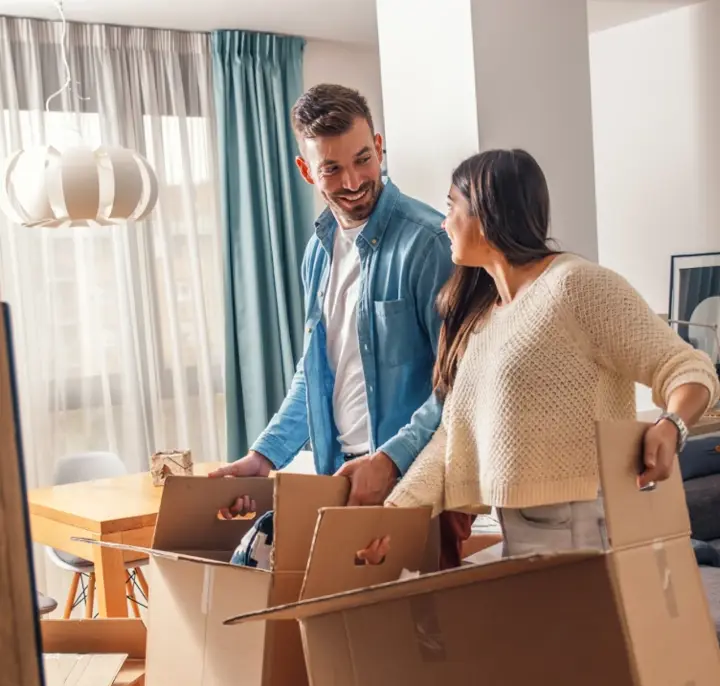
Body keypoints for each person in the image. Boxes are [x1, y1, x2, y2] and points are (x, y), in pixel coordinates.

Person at [387, 148, 720, 555]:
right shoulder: (483, 321)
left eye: (451, 206)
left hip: (588, 533)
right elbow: (451, 439)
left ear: (485, 212)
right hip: (520, 538)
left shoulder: (576, 286)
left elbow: (686, 367)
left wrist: (672, 426)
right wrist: (393, 514)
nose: (444, 222)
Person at [212, 84, 454, 524]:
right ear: (307, 171)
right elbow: (316, 373)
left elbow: (458, 383)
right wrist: (264, 455)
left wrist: (390, 462)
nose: (353, 182)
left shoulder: (430, 242)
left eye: (363, 159)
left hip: (419, 487)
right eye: (332, 169)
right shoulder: (318, 253)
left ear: (379, 147)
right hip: (341, 481)